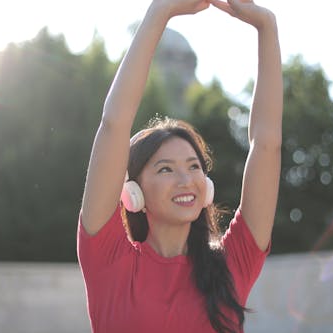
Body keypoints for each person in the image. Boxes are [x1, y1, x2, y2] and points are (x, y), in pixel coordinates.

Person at [77, 0, 282, 332]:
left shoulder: (232, 265)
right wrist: (160, 11)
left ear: (207, 186)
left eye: (194, 167)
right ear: (133, 192)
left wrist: (266, 26)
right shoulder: (109, 260)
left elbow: (267, 144)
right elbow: (114, 123)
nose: (186, 179)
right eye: (165, 169)